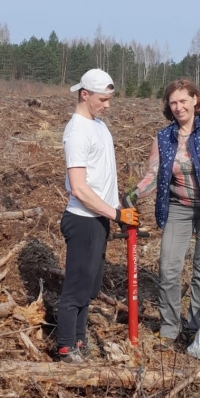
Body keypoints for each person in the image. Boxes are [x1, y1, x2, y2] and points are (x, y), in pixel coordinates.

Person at [126, 78, 200, 344]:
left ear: (194, 100)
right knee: (168, 269)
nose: (179, 107)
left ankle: (195, 327)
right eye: (173, 102)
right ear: (168, 106)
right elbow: (153, 175)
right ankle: (170, 326)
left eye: (183, 100)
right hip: (178, 207)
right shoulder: (164, 137)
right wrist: (133, 193)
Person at [57, 69, 139, 362]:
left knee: (89, 288)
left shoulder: (100, 126)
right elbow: (79, 188)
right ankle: (66, 347)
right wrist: (116, 214)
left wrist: (119, 205)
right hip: (83, 220)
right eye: (103, 99)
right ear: (85, 95)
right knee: (76, 289)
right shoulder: (77, 132)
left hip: (99, 219)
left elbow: (103, 176)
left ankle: (79, 340)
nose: (108, 105)